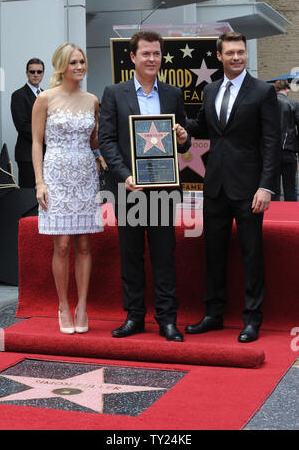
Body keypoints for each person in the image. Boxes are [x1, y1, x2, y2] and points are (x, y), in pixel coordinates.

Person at [185, 32, 281, 342]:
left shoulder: (262, 92)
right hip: (214, 186)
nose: (237, 57)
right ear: (219, 57)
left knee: (252, 253)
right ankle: (213, 314)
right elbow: (202, 127)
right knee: (213, 254)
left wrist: (266, 186)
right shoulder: (210, 90)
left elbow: (271, 143)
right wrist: (179, 128)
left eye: (241, 52)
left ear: (246, 55)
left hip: (250, 188)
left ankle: (252, 318)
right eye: (231, 53)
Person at [98, 30, 190, 342]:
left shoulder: (173, 93)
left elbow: (184, 135)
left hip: (164, 189)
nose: (152, 59)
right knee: (131, 255)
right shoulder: (114, 92)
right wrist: (124, 175)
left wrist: (183, 138)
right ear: (133, 57)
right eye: (146, 54)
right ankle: (134, 317)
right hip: (129, 189)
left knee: (165, 256)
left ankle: (167, 320)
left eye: (156, 53)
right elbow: (107, 141)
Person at [32, 42, 103, 334]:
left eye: (82, 62)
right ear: (62, 66)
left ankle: (82, 306)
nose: (79, 67)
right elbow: (36, 142)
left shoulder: (92, 100)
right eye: (73, 62)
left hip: (85, 175)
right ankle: (63, 305)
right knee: (61, 245)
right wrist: (39, 182)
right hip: (55, 176)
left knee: (84, 245)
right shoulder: (45, 99)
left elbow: (95, 141)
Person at [11, 58, 45, 187]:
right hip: (27, 155)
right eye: (32, 71)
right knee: (29, 195)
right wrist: (46, 136)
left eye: (39, 71)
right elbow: (22, 126)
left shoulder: (46, 94)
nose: (35, 74)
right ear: (27, 73)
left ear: (42, 73)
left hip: (47, 154)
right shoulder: (18, 95)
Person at [271, 79, 299, 202]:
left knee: (272, 188)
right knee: (290, 187)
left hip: (271, 151)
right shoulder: (293, 104)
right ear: (287, 89)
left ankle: (273, 215)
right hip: (289, 150)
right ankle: (292, 216)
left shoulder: (267, 104)